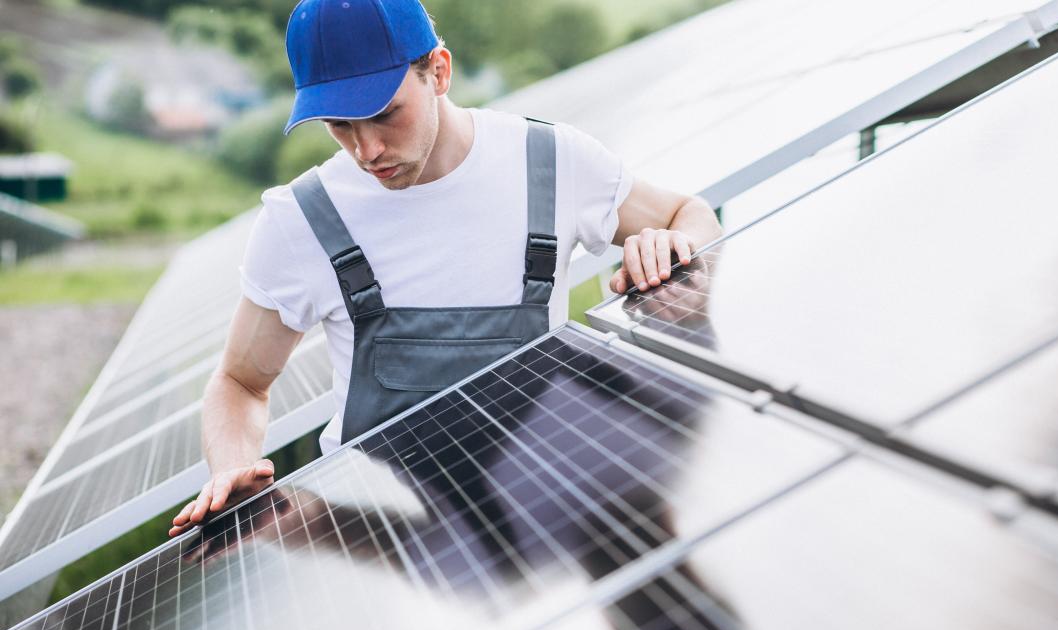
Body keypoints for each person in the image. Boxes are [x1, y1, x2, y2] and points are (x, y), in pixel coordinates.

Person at [169, 0, 721, 537]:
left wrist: (676, 248)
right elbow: (240, 382)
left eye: (384, 113)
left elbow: (691, 214)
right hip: (380, 539)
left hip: (542, 514)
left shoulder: (550, 162)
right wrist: (231, 467)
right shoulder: (301, 220)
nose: (366, 149)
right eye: (339, 124)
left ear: (438, 71)